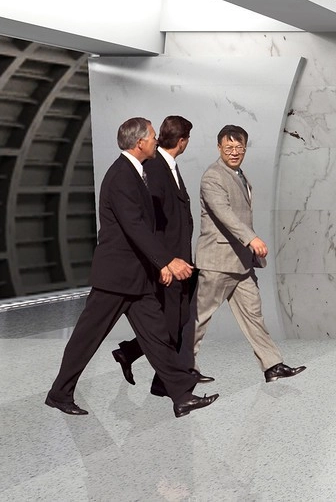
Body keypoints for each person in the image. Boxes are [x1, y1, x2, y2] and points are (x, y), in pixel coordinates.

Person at [45, 117, 217, 418]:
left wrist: (157, 265)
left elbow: (144, 228)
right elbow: (134, 226)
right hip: (115, 278)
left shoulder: (135, 172)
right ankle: (59, 394)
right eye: (152, 136)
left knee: (158, 336)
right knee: (86, 338)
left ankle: (181, 396)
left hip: (137, 278)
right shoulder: (121, 176)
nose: (156, 139)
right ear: (139, 143)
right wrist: (166, 261)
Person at [193, 125, 306, 382]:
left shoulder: (239, 174)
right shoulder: (213, 176)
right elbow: (224, 214)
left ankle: (272, 365)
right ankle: (183, 368)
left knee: (253, 315)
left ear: (245, 148)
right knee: (199, 318)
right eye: (228, 147)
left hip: (241, 262)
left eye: (239, 147)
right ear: (219, 147)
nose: (234, 152)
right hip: (218, 261)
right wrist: (251, 238)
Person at [111, 115, 214, 394]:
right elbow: (150, 223)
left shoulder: (167, 166)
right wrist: (163, 263)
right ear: (183, 141)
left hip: (178, 258)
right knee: (171, 321)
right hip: (169, 261)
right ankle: (161, 380)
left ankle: (135, 357)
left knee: (177, 320)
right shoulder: (155, 169)